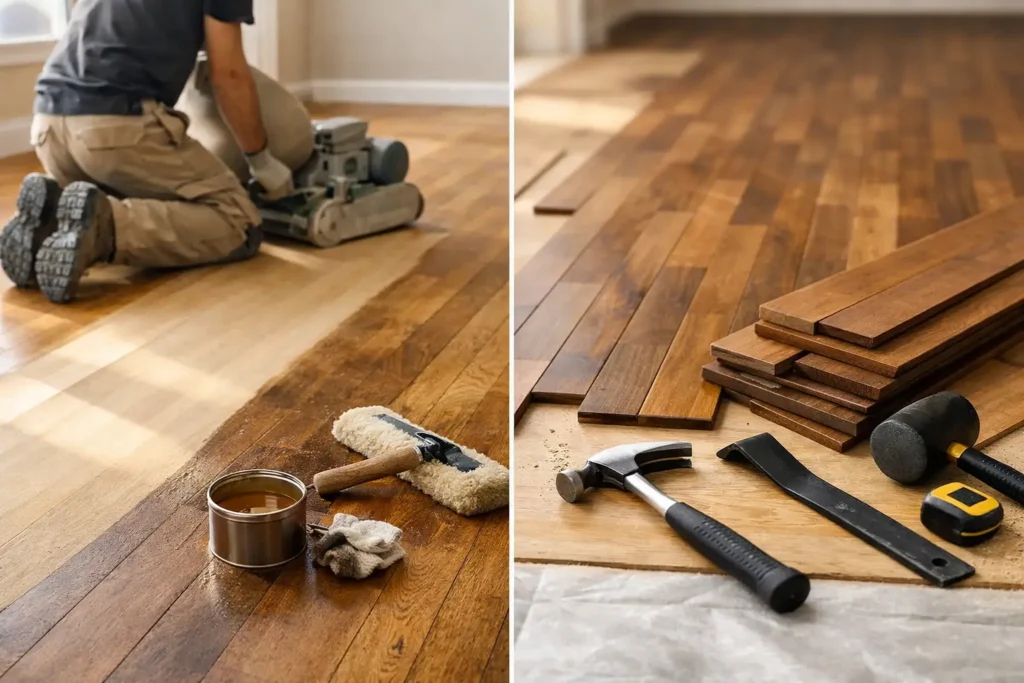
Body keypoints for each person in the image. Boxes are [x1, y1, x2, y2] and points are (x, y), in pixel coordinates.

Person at [0, 0, 294, 304]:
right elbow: (228, 74)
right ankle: (105, 228)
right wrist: (260, 158)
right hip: (113, 128)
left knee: (112, 201)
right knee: (239, 223)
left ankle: (50, 219)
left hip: (48, 126)